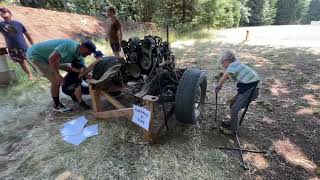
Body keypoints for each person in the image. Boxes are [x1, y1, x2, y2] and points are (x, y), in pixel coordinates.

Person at [26, 39, 96, 112]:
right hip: (37, 56)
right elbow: (52, 59)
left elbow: (84, 70)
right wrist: (57, 75)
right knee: (56, 81)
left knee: (71, 69)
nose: (89, 55)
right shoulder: (69, 46)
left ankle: (70, 90)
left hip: (52, 58)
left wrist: (91, 78)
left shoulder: (80, 55)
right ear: (84, 48)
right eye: (89, 52)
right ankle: (57, 105)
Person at [215, 50, 260, 135]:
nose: (223, 66)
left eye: (222, 63)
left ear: (227, 60)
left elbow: (224, 77)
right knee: (232, 104)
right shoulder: (238, 64)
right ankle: (232, 122)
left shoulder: (232, 65)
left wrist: (218, 86)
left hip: (251, 90)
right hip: (249, 88)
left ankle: (233, 130)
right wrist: (233, 98)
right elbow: (243, 87)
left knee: (234, 109)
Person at [0, 7, 34, 80]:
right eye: (1, 12)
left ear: (10, 13)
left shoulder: (18, 24)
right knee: (21, 62)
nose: (3, 13)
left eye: (4, 12)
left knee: (30, 59)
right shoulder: (1, 24)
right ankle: (30, 74)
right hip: (12, 47)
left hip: (23, 46)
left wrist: (33, 45)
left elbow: (27, 35)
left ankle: (39, 71)